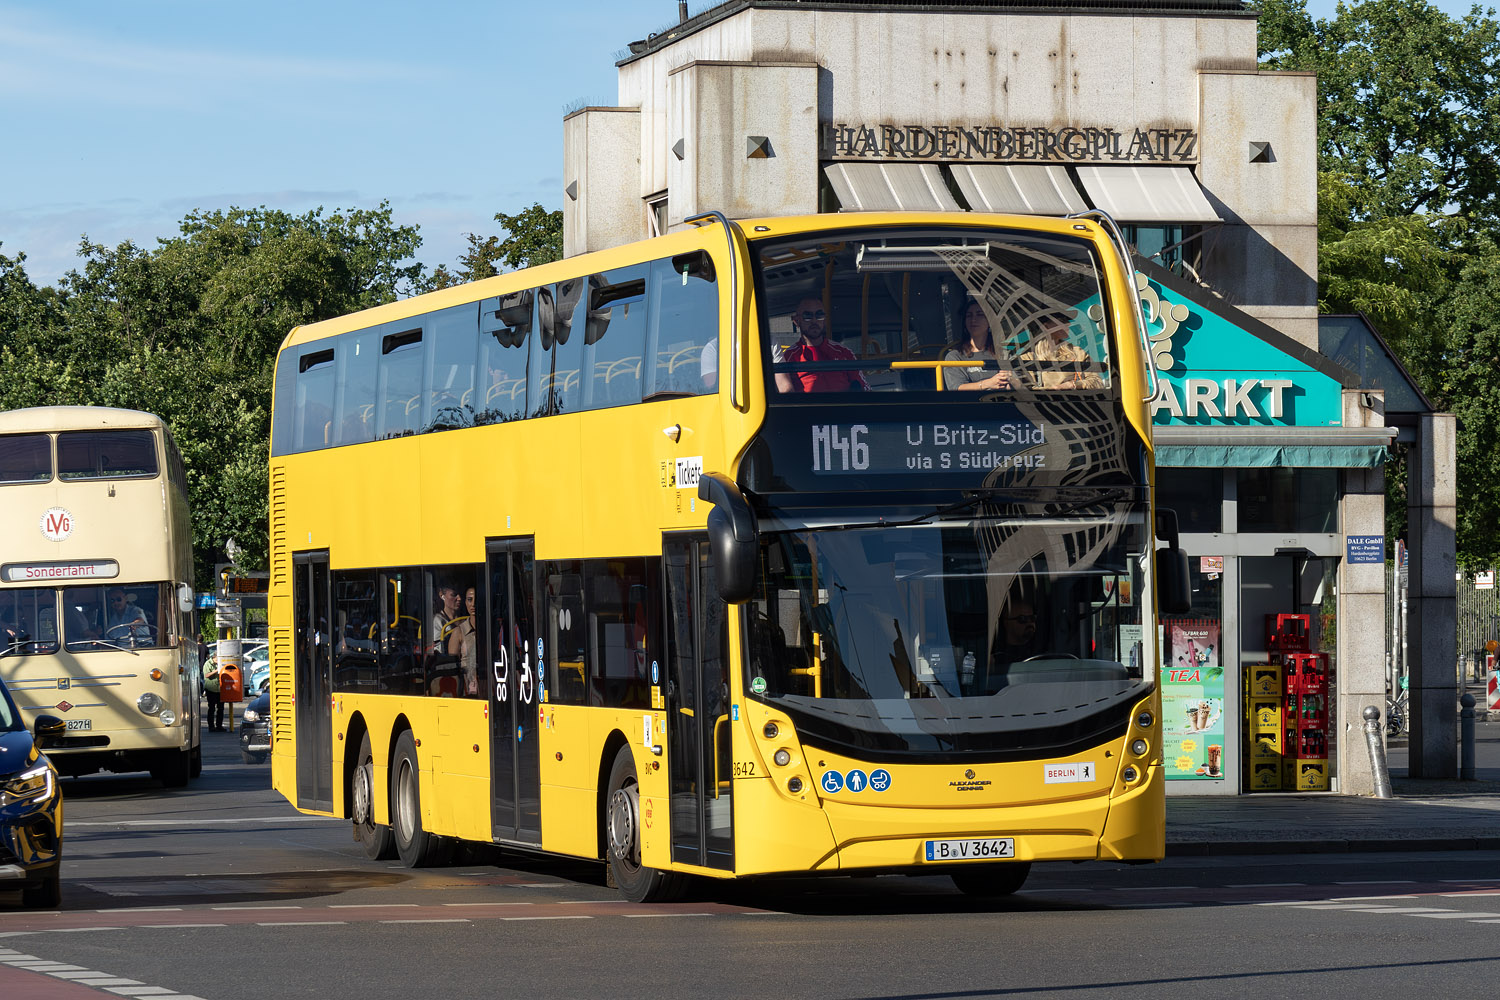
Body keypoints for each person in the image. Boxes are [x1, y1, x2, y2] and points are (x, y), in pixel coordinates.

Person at [774, 297, 868, 393]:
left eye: (819, 315)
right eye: (808, 316)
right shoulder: (788, 357)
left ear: (825, 320)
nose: (814, 321)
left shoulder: (843, 352)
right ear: (796, 321)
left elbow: (864, 388)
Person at [943, 299, 1013, 392]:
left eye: (980, 314)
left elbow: (1020, 384)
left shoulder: (1003, 352)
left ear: (990, 321)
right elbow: (957, 388)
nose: (973, 319)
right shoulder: (954, 356)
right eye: (969, 315)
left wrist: (1010, 382)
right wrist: (989, 383)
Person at [1018, 314, 1103, 390]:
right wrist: (1054, 390)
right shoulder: (1027, 358)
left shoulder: (1076, 352)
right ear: (1046, 327)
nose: (1068, 323)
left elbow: (1097, 382)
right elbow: (1027, 392)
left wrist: (1072, 385)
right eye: (1062, 321)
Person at [448, 586, 479, 696]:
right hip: (466, 689)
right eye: (469, 600)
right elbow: (452, 668)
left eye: (477, 599)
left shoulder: (490, 630)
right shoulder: (458, 632)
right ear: (465, 602)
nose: (473, 604)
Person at [202, 647, 225, 731]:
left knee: (221, 708)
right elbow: (206, 675)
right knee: (211, 708)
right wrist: (216, 671)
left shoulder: (220, 664)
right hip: (211, 689)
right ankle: (211, 726)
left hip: (220, 689)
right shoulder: (208, 664)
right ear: (215, 657)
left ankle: (219, 725)